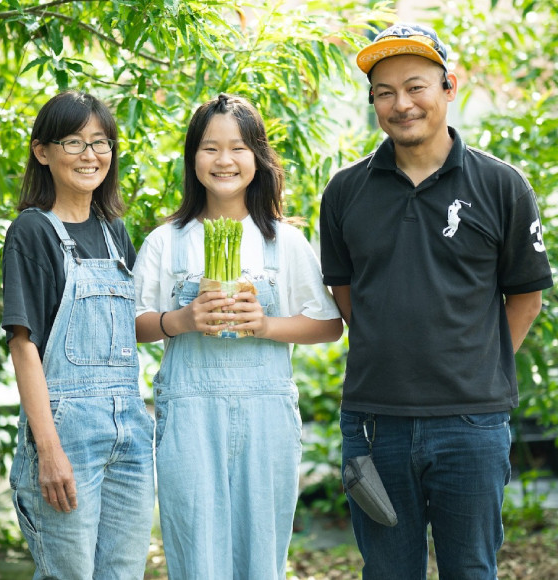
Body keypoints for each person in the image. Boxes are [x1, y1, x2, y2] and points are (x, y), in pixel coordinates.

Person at [319, 23, 553, 579]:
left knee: (470, 570)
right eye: (384, 92)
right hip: (375, 423)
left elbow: (526, 297)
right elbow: (345, 291)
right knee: (387, 572)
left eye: (416, 87)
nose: (401, 104)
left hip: (471, 424)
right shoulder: (345, 191)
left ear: (449, 87)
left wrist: (473, 363)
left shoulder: (501, 186)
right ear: (373, 102)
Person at [134, 93, 343, 579]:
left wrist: (265, 325)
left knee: (261, 557)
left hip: (266, 415)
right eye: (210, 148)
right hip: (189, 414)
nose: (224, 160)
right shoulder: (167, 240)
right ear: (192, 159)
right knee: (196, 557)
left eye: (238, 148)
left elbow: (329, 325)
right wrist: (181, 320)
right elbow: (132, 323)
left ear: (258, 158)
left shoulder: (283, 241)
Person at [1, 90, 154, 579]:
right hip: (66, 433)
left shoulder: (115, 231)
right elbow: (23, 346)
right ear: (42, 152)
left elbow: (129, 327)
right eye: (73, 142)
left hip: (130, 431)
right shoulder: (32, 232)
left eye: (100, 142)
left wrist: (189, 316)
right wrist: (48, 450)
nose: (90, 155)